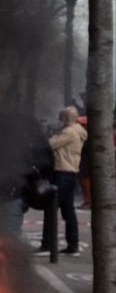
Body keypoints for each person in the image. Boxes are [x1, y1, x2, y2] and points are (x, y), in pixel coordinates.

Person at [43, 105, 87, 254]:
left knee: (50, 208)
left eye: (61, 116)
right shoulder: (79, 132)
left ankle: (47, 244)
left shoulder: (69, 132)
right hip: (71, 174)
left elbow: (50, 144)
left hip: (61, 173)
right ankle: (73, 243)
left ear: (66, 118)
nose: (59, 119)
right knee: (69, 211)